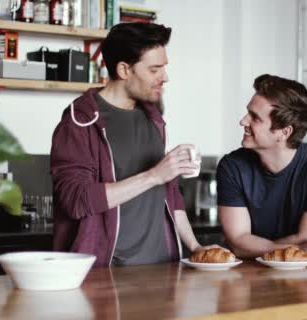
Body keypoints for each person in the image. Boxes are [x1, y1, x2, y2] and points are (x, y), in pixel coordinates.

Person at [50, 22, 216, 267]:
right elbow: (75, 200)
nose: (165, 77)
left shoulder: (152, 117)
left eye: (164, 68)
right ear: (124, 70)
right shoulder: (80, 123)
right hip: (106, 272)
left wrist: (196, 247)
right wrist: (153, 176)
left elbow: (170, 194)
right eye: (154, 70)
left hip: (163, 267)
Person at [217, 74, 307, 263]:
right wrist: (292, 248)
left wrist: (253, 247)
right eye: (248, 113)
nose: (243, 121)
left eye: (255, 117)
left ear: (284, 132)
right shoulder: (232, 166)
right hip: (259, 275)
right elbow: (238, 242)